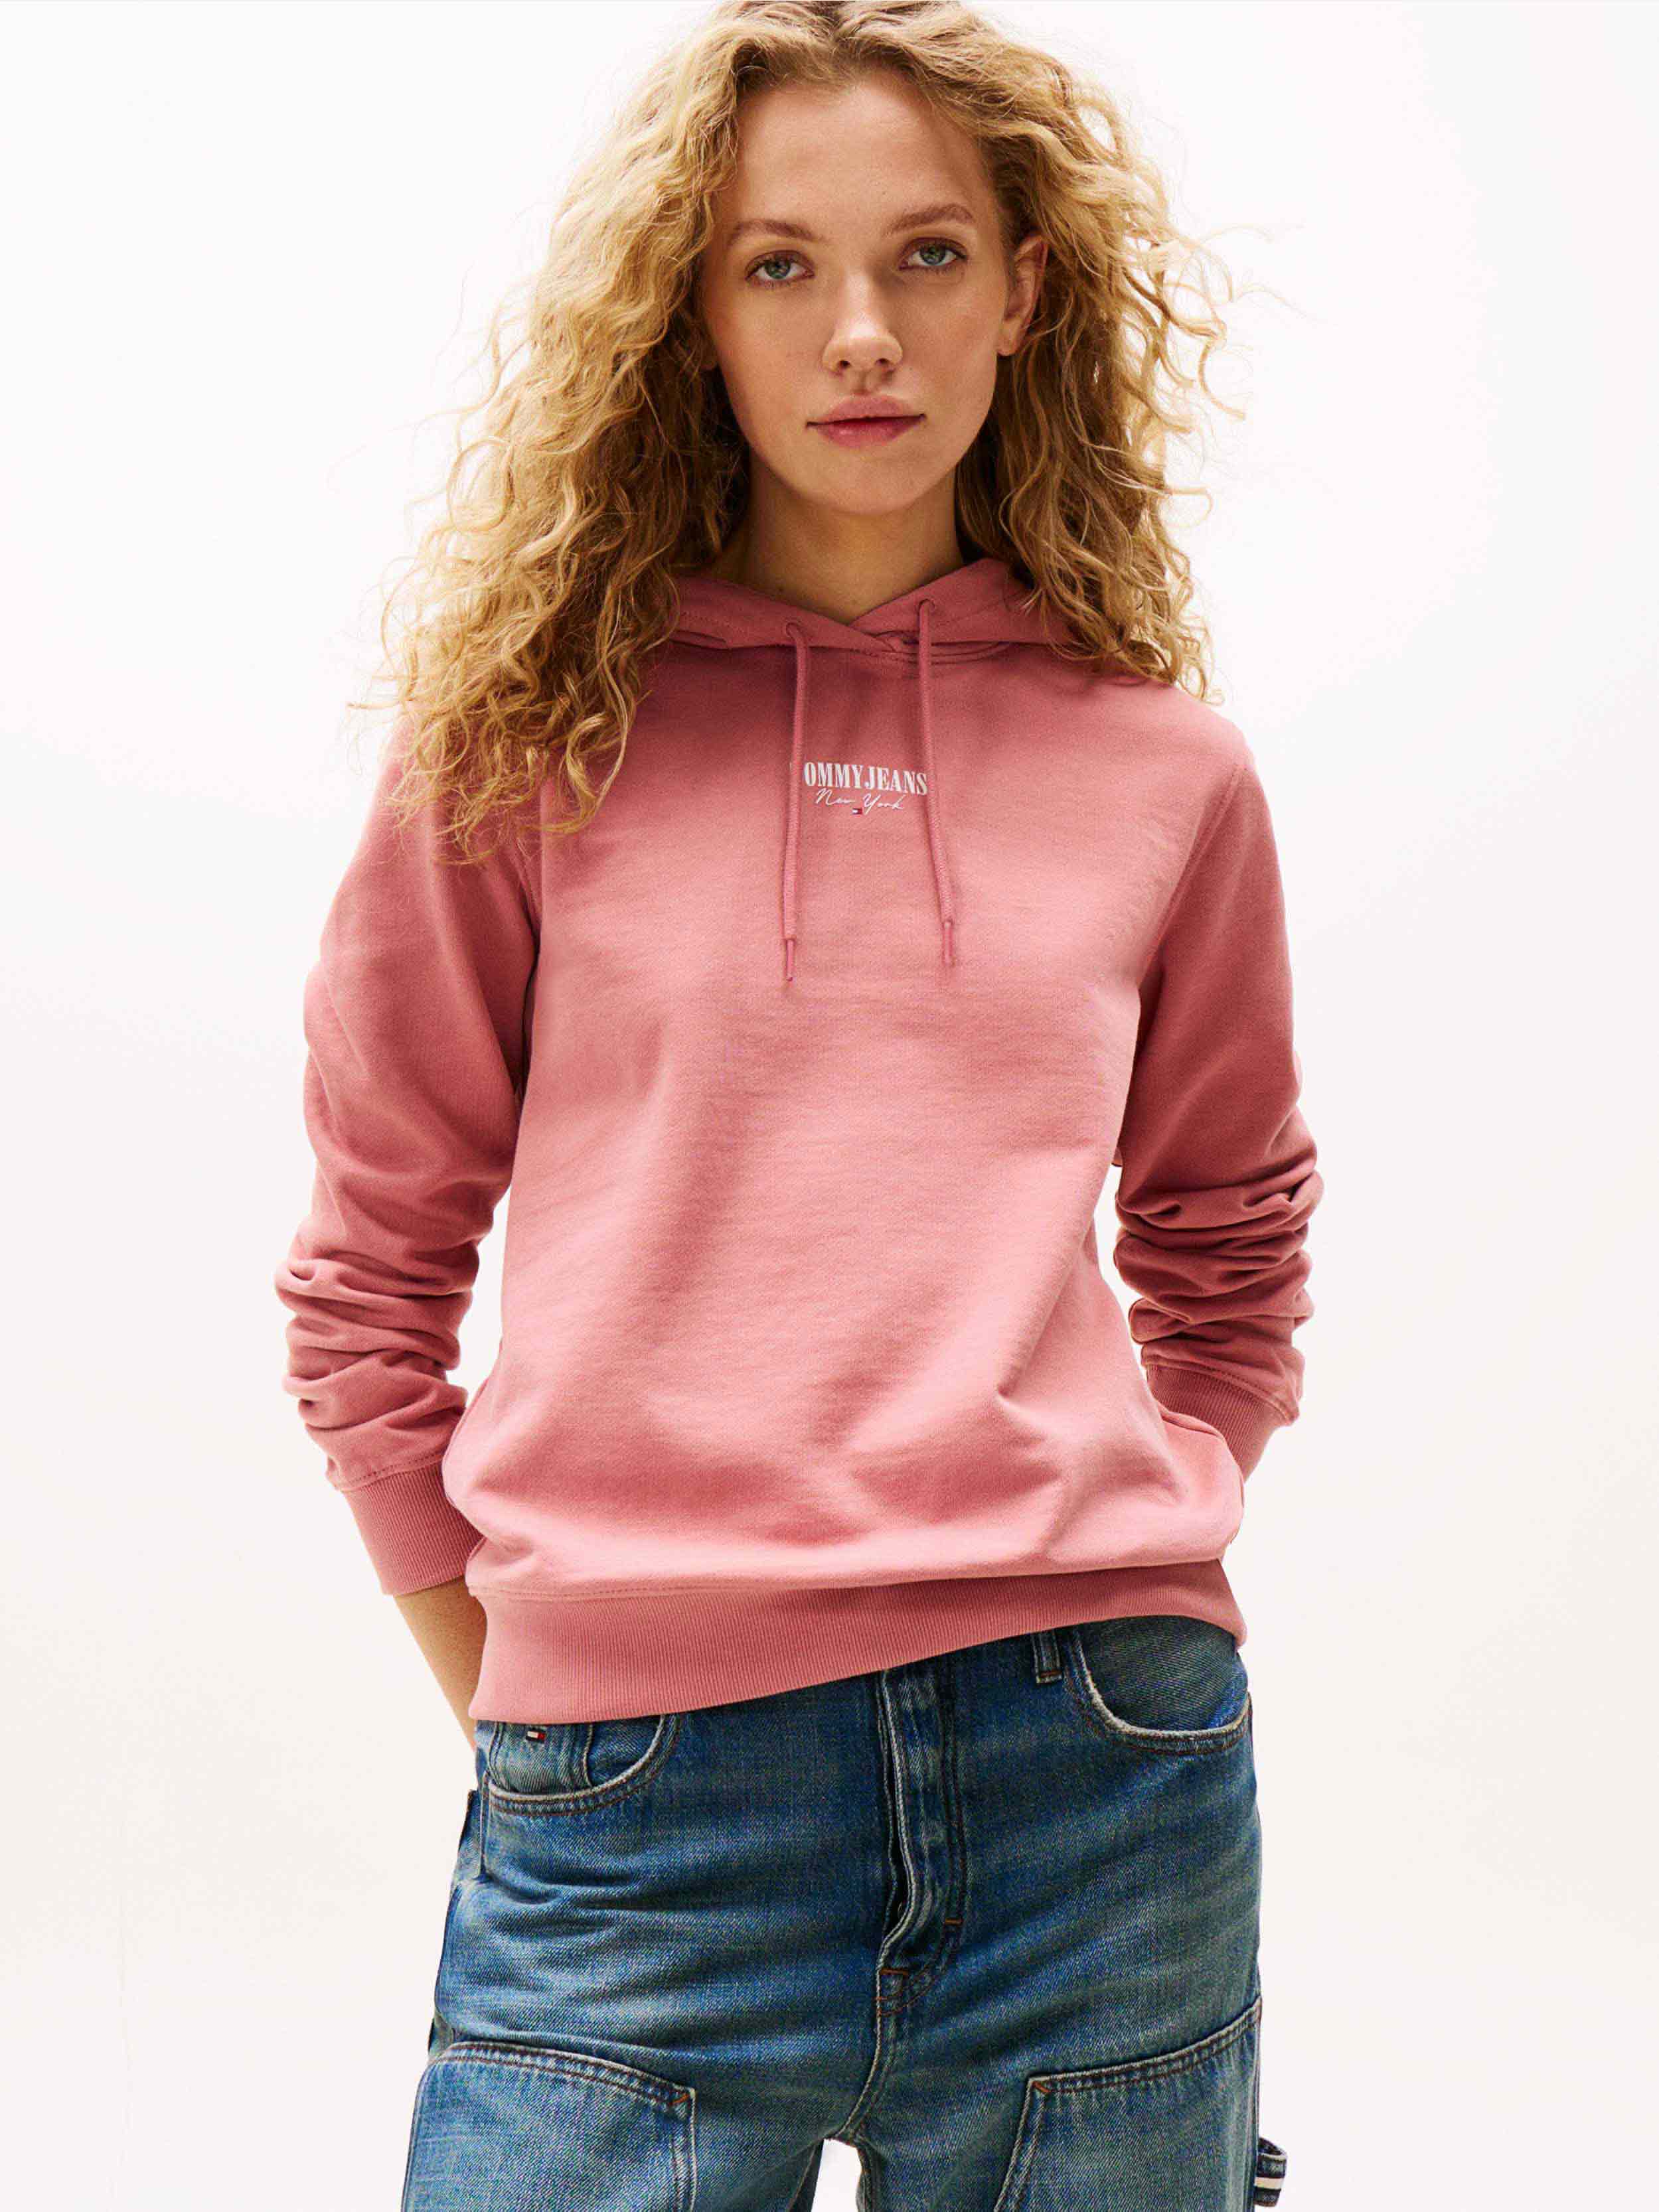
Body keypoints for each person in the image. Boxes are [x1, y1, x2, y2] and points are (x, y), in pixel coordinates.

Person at [274, 3, 1317, 2204]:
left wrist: (1154, 1524)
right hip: (635, 1810)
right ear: (692, 311)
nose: (861, 332)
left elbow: (1228, 1244)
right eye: (779, 265)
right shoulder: (521, 753)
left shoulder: (1164, 773)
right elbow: (369, 1281)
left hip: (1098, 1787)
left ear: (1023, 290)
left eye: (926, 254)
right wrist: (540, 1690)